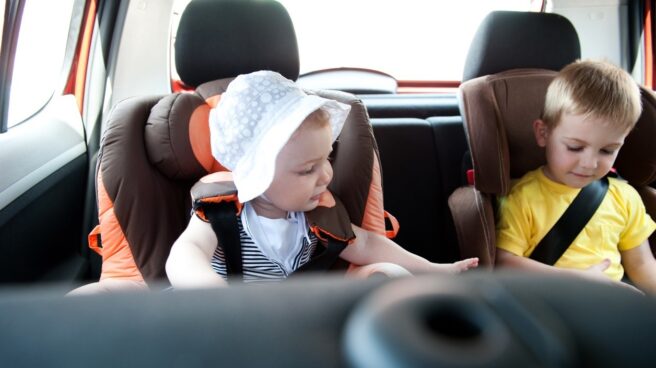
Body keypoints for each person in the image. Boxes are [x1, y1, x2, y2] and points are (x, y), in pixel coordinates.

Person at [166, 70, 478, 287]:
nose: (326, 175)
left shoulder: (315, 217)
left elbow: (368, 244)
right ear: (257, 173)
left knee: (391, 274)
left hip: (296, 316)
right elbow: (185, 254)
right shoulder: (221, 213)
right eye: (307, 169)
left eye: (327, 158)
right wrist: (211, 292)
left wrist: (437, 269)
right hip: (231, 321)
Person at [495, 59, 656, 294]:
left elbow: (642, 265)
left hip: (611, 308)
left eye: (607, 150)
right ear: (543, 133)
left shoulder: (625, 197)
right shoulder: (523, 196)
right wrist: (575, 280)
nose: (589, 163)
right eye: (574, 147)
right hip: (551, 308)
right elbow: (504, 263)